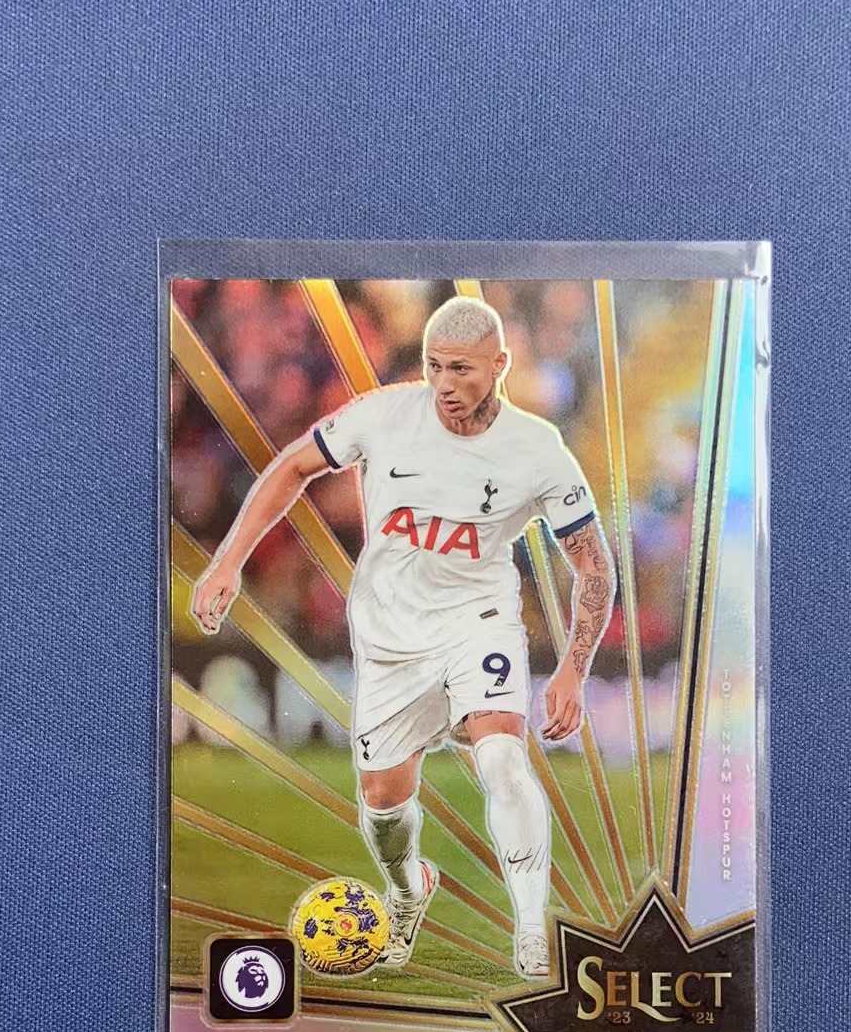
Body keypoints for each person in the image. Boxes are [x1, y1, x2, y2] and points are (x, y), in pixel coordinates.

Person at [191, 296, 615, 979]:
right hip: (390, 637)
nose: (445, 384)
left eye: (463, 370)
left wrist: (573, 669)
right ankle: (407, 887)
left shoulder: (537, 449)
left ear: (501, 365)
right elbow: (293, 466)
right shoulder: (383, 415)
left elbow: (593, 565)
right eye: (435, 366)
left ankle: (531, 930)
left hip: (478, 623)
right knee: (384, 802)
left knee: (504, 760)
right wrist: (227, 562)